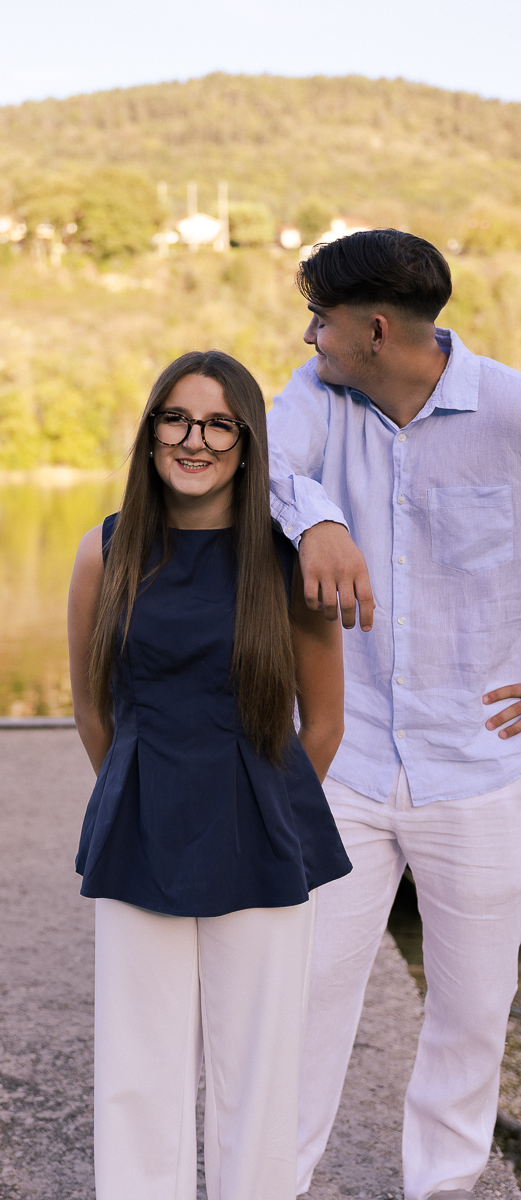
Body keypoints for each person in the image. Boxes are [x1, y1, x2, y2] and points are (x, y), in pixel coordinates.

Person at [267, 228, 521, 1200]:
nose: (308, 338)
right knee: (303, 993)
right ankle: (271, 1180)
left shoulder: (508, 408)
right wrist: (319, 519)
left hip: (480, 762)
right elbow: (259, 462)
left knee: (471, 1007)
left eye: (320, 320)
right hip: (350, 755)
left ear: (375, 329)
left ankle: (442, 1185)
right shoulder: (315, 398)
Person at [68, 350, 353, 1200]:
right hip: (140, 826)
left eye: (219, 423)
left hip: (261, 832)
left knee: (259, 1072)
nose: (195, 440)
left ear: (247, 440)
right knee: (138, 1068)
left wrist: (260, 807)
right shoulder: (104, 551)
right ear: (152, 431)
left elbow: (325, 723)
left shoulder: (287, 557)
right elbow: (92, 711)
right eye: (177, 419)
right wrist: (143, 794)